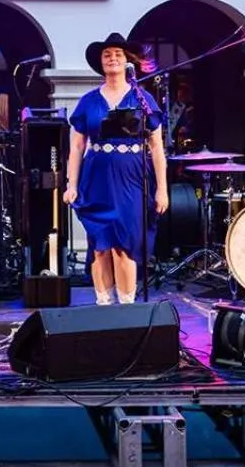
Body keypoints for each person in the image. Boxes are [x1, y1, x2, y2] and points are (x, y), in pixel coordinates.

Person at [63, 32, 170, 305]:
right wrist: (71, 185)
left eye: (117, 55)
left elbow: (156, 147)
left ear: (127, 62)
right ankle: (104, 305)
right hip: (96, 177)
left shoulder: (141, 98)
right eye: (107, 55)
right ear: (101, 63)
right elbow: (76, 147)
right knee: (100, 246)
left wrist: (162, 189)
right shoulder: (88, 101)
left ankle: (127, 307)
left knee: (124, 245)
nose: (112, 59)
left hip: (131, 178)